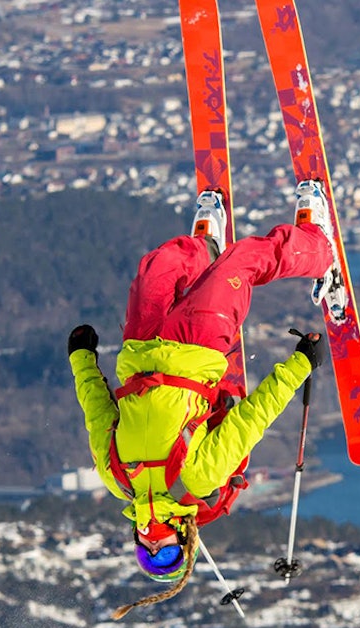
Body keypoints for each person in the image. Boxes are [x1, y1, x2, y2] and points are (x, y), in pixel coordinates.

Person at [68, 180, 341, 606]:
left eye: (148, 556)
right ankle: (319, 249)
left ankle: (204, 247)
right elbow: (252, 420)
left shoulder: (119, 479)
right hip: (197, 349)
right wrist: (301, 365)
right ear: (185, 540)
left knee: (156, 269)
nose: (155, 548)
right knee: (242, 262)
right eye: (167, 558)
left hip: (141, 351)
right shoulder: (196, 481)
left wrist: (81, 358)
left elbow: (96, 410)